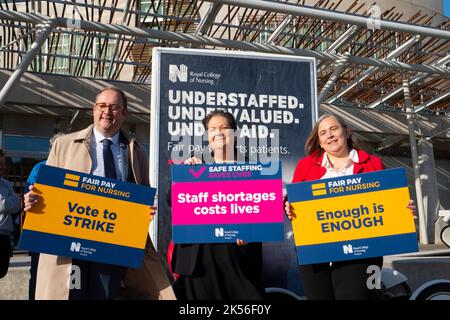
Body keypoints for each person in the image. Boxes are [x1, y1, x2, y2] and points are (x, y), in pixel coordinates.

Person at [24, 87, 175, 300]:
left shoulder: (136, 152)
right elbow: (46, 192)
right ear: (94, 110)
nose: (107, 112)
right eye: (102, 106)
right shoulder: (64, 144)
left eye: (114, 107)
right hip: (70, 246)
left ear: (124, 113)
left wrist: (144, 209)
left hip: (110, 249)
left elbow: (141, 195)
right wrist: (33, 200)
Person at [285, 113, 415, 300]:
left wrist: (402, 208)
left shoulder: (373, 163)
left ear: (347, 132)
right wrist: (288, 206)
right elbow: (292, 199)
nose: (329, 135)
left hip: (362, 251)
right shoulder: (306, 166)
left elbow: (388, 201)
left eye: (333, 129)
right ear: (319, 142)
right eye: (323, 133)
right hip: (315, 250)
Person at [170, 110, 264, 300]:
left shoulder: (254, 170)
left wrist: (251, 232)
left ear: (235, 135)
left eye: (224, 128)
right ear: (207, 136)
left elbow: (264, 213)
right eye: (212, 129)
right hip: (198, 258)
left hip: (238, 256)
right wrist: (184, 178)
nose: (218, 133)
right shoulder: (195, 166)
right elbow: (172, 202)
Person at [24, 132, 64, 300]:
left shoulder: (74, 168)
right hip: (41, 229)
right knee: (37, 272)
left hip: (63, 231)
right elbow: (28, 194)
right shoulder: (40, 168)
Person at [0, 148, 20, 279]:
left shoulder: (5, 183)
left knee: (1, 272)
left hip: (5, 237)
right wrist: (14, 200)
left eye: (3, 164)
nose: (3, 167)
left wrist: (13, 201)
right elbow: (3, 204)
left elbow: (17, 205)